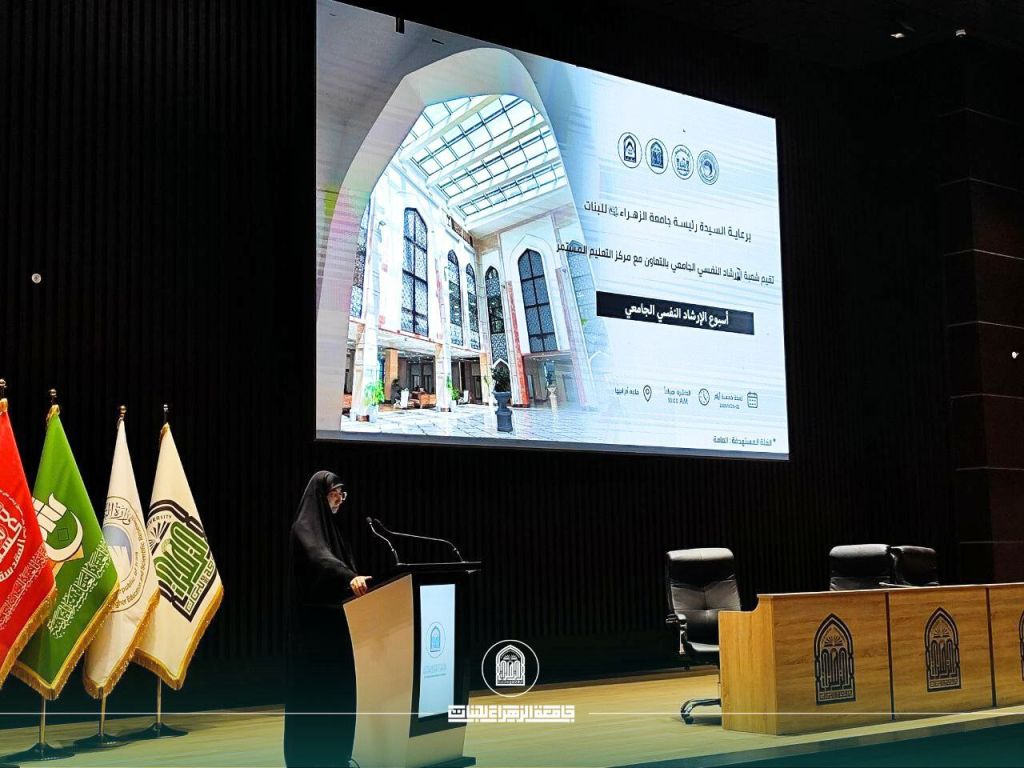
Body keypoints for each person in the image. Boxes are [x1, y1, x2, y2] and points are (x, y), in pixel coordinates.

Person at [284, 471, 371, 768]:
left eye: (343, 494)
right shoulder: (303, 529)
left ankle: (337, 755)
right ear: (321, 495)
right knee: (316, 696)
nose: (340, 499)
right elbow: (320, 559)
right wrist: (349, 577)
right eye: (336, 492)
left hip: (337, 627)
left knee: (338, 694)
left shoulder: (333, 530)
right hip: (313, 634)